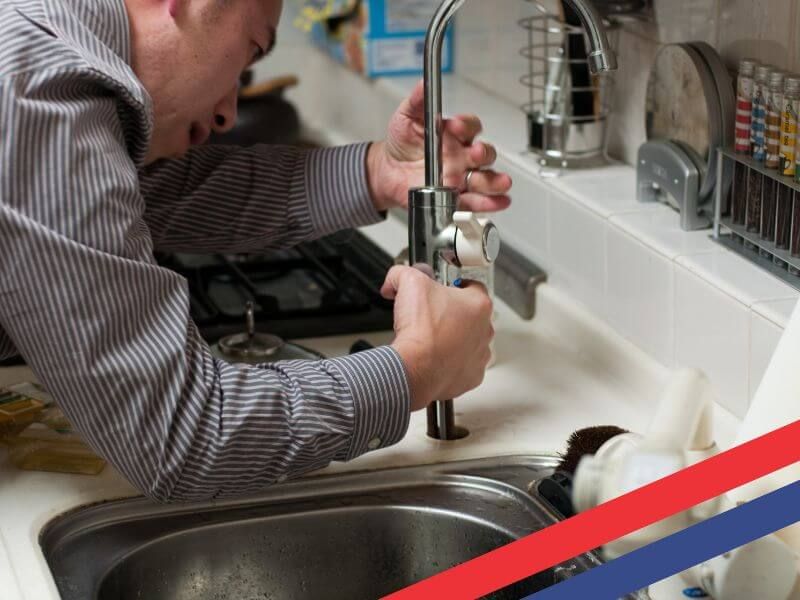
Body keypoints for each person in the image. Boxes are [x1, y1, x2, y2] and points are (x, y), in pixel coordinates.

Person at [0, 0, 512, 502]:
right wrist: (416, 369)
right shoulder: (44, 98)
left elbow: (159, 196)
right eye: (249, 52)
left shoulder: (41, 40)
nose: (226, 114)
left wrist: (380, 173)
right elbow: (183, 438)